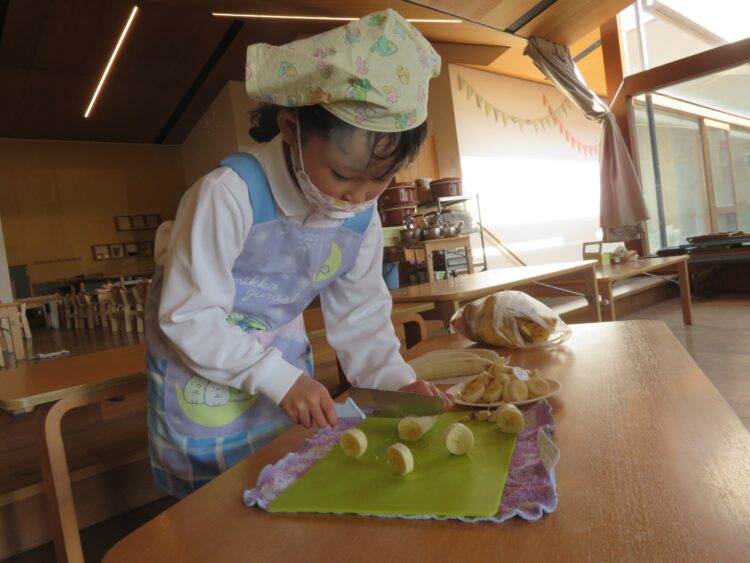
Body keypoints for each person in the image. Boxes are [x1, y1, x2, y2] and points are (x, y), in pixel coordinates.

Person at [145, 8, 451, 498]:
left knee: (285, 485)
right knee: (215, 510)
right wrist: (275, 377)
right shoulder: (228, 194)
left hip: (283, 373)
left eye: (380, 179)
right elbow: (190, 316)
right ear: (290, 127)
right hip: (204, 371)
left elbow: (362, 317)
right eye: (342, 175)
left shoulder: (361, 216)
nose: (358, 196)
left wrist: (396, 382)